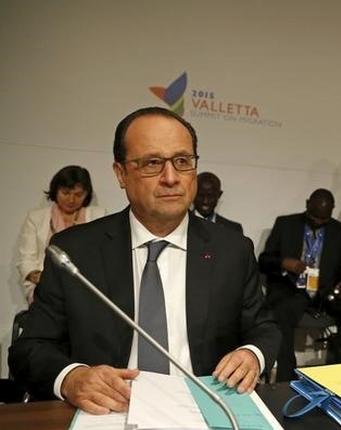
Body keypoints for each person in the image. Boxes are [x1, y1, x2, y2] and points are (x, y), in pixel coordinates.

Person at [9, 107, 281, 414]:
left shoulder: (232, 249)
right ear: (121, 174)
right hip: (110, 411)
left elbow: (264, 328)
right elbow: (28, 349)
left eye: (182, 161)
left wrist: (252, 354)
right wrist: (72, 378)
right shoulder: (75, 251)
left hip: (208, 407)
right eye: (153, 163)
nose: (170, 178)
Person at [259, 189, 341, 381]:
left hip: (325, 292)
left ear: (332, 211)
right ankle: (287, 380)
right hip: (292, 290)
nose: (317, 223)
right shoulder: (286, 224)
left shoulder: (340, 231)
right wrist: (286, 263)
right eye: (314, 217)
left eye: (323, 220)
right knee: (281, 313)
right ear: (307, 203)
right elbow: (264, 261)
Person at [16, 166, 106, 304]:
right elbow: (26, 261)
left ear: (86, 194)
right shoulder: (36, 218)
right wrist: (48, 281)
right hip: (44, 284)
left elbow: (104, 257)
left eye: (78, 194)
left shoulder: (98, 215)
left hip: (85, 286)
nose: (71, 199)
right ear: (55, 190)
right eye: (65, 193)